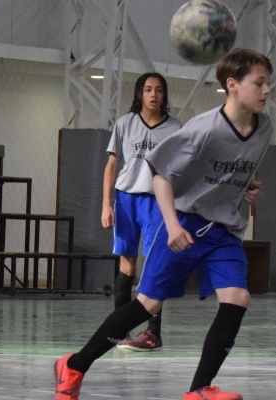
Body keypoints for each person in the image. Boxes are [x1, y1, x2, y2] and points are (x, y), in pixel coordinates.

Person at [54, 48, 273, 400]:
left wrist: (253, 188)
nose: (266, 90)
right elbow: (159, 173)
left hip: (224, 230)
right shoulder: (204, 128)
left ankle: (198, 390)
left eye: (268, 83)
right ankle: (75, 365)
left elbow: (243, 171)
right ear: (232, 85)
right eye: (259, 83)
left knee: (237, 298)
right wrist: (171, 225)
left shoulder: (265, 127)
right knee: (147, 305)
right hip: (184, 222)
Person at [102, 72, 181, 351]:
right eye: (148, 89)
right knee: (127, 265)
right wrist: (106, 204)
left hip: (157, 201)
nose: (153, 95)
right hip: (126, 200)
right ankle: (120, 331)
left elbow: (182, 167)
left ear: (164, 95)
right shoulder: (124, 124)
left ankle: (152, 334)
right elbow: (112, 166)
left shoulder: (175, 128)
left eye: (158, 90)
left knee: (154, 266)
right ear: (139, 93)